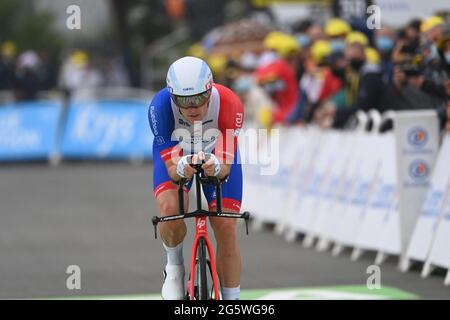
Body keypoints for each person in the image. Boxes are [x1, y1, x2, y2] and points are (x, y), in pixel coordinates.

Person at [148, 56, 244, 300]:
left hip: (216, 151)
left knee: (225, 225)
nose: (192, 107)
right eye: (183, 100)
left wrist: (217, 167)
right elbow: (171, 170)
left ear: (210, 90)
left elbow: (225, 168)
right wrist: (179, 168)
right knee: (171, 209)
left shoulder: (230, 102)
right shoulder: (159, 107)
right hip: (177, 151)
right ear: (172, 96)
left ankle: (232, 300)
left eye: (199, 98)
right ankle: (174, 268)